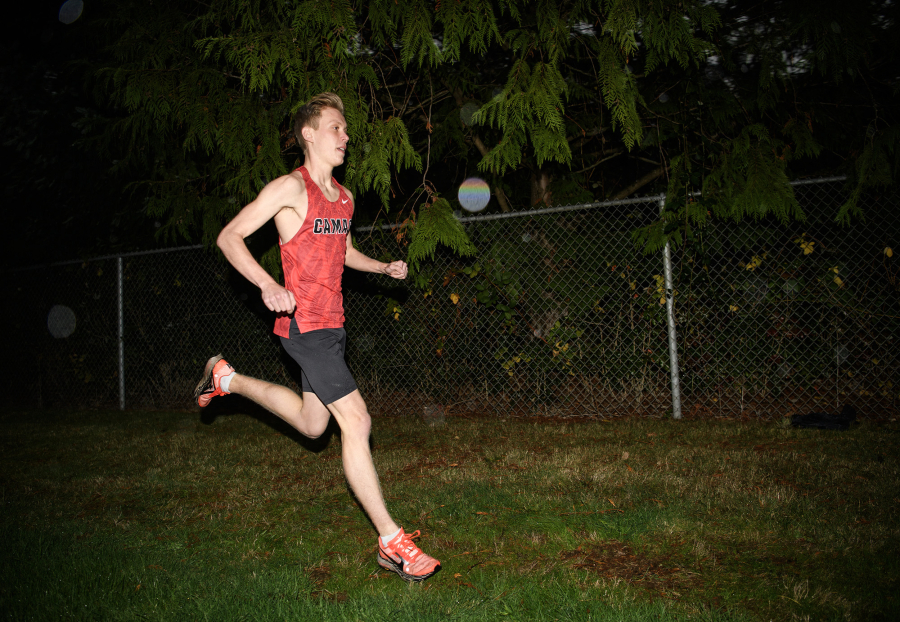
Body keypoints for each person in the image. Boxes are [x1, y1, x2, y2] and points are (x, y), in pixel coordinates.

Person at [193, 92, 441, 583]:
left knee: (313, 426)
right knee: (357, 418)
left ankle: (227, 379)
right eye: (336, 127)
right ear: (308, 134)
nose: (345, 136)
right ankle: (392, 542)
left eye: (346, 130)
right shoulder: (290, 188)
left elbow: (343, 250)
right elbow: (229, 237)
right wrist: (267, 284)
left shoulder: (343, 197)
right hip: (302, 325)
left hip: (333, 327)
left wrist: (381, 266)